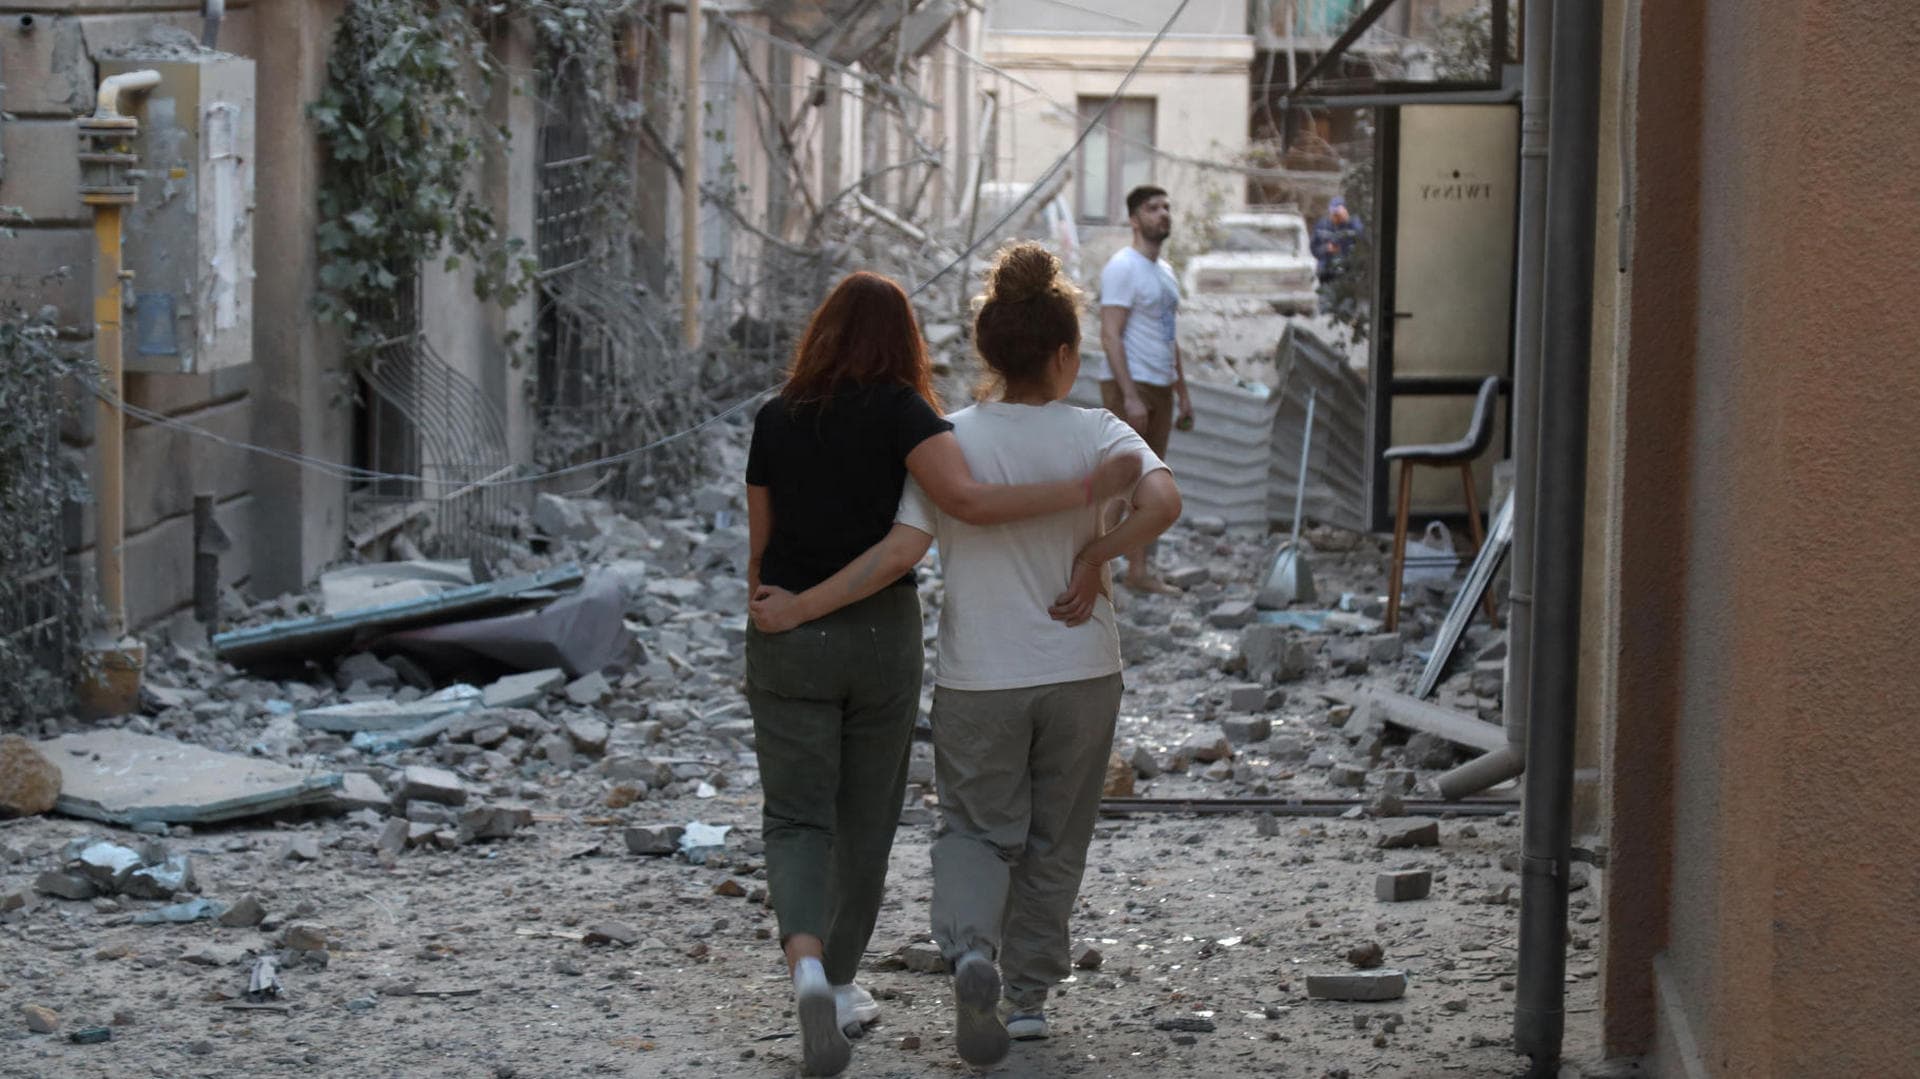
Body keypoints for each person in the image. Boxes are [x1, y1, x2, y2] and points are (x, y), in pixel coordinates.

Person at [753, 243, 1182, 1070]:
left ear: (989, 352)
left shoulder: (950, 438)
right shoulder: (1099, 430)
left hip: (979, 676)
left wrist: (800, 606)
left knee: (978, 832)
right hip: (1083, 669)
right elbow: (1163, 499)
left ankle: (970, 952)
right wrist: (1097, 557)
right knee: (1057, 839)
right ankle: (1025, 1000)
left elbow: (896, 554)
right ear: (1063, 354)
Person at [1098, 184, 1192, 595]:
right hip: (1129, 385)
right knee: (1122, 483)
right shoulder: (1122, 266)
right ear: (1134, 219)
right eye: (1153, 208)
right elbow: (1109, 334)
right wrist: (1130, 394)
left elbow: (1170, 336)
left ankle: (1137, 572)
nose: (1163, 214)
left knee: (1150, 483)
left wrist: (1182, 391)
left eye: (1167, 207)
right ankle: (1085, 564)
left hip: (1160, 385)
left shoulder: (1166, 273)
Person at [1313, 195, 1363, 283]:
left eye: (1338, 213)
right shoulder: (1322, 225)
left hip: (1348, 273)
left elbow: (1363, 240)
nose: (1335, 216)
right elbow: (1314, 248)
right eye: (1333, 212)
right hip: (1327, 273)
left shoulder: (1353, 223)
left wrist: (1347, 221)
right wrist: (1326, 248)